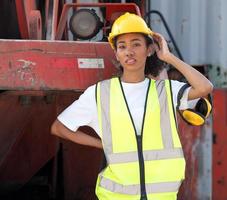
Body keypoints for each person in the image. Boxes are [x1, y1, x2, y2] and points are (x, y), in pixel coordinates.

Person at [51, 12, 213, 200]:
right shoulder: (99, 93)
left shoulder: (166, 91)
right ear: (117, 54)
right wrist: (101, 143)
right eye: (122, 46)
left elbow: (204, 87)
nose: (129, 51)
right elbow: (59, 128)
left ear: (149, 49)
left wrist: (168, 57)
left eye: (136, 44)